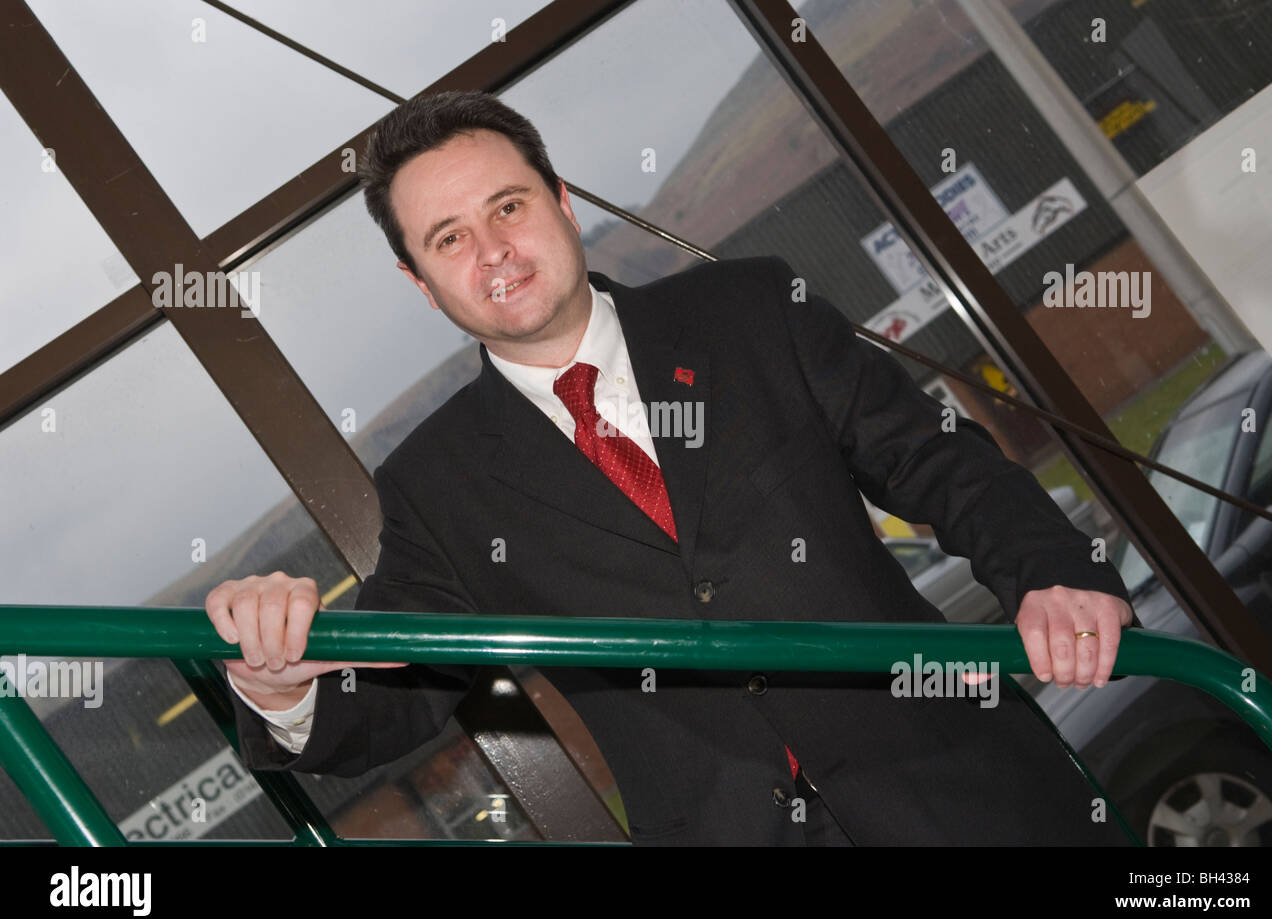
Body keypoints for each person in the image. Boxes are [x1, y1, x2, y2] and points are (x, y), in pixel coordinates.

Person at [205, 90, 1137, 846]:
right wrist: (282, 684)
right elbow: (402, 690)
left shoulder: (754, 310)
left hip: (974, 802)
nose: (492, 252)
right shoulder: (437, 485)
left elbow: (935, 460)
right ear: (420, 280)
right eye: (448, 237)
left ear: (562, 203)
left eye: (508, 206)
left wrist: (1049, 571)